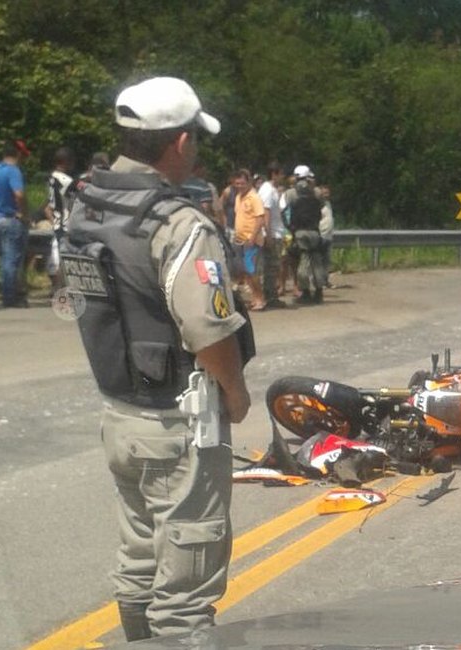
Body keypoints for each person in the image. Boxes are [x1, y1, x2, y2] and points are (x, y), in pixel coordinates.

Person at [62, 76, 254, 641]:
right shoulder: (178, 224)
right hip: (178, 422)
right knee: (186, 592)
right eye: (195, 136)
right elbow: (209, 330)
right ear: (179, 143)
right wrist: (237, 397)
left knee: (140, 556)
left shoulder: (89, 203)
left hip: (120, 411)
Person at [0, 140, 31, 307]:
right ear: (18, 154)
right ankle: (10, 297)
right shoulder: (14, 171)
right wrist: (24, 213)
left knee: (7, 257)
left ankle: (8, 294)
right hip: (13, 218)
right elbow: (19, 194)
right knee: (13, 259)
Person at [280, 164, 327, 304]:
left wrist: (289, 228)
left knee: (303, 262)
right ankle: (319, 292)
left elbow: (282, 210)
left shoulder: (290, 193)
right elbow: (322, 206)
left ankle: (305, 292)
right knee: (317, 262)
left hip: (299, 231)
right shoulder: (316, 192)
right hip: (314, 231)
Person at [231, 168, 268, 310]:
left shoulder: (254, 197)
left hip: (251, 240)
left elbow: (260, 218)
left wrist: (253, 236)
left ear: (249, 182)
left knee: (251, 270)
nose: (239, 186)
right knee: (245, 271)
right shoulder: (238, 197)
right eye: (237, 183)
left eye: (242, 183)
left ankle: (260, 299)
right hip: (240, 239)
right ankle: (254, 298)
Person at [44, 147, 75, 291]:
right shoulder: (65, 180)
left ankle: (56, 287)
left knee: (56, 255)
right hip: (65, 223)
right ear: (66, 162)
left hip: (56, 221)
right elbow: (80, 193)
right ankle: (59, 288)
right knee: (63, 258)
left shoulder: (51, 177)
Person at [257, 161, 287, 304]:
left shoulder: (271, 189)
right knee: (272, 267)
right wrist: (268, 234)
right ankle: (270, 296)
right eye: (281, 173)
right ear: (274, 174)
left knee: (271, 266)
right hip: (272, 233)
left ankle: (269, 294)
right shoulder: (268, 190)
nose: (283, 177)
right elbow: (266, 212)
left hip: (275, 232)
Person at [318, 184, 335, 288]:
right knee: (319, 259)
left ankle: (326, 280)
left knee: (326, 260)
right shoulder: (318, 204)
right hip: (320, 234)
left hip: (328, 235)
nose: (326, 195)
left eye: (328, 193)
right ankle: (319, 281)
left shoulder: (328, 203)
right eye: (324, 193)